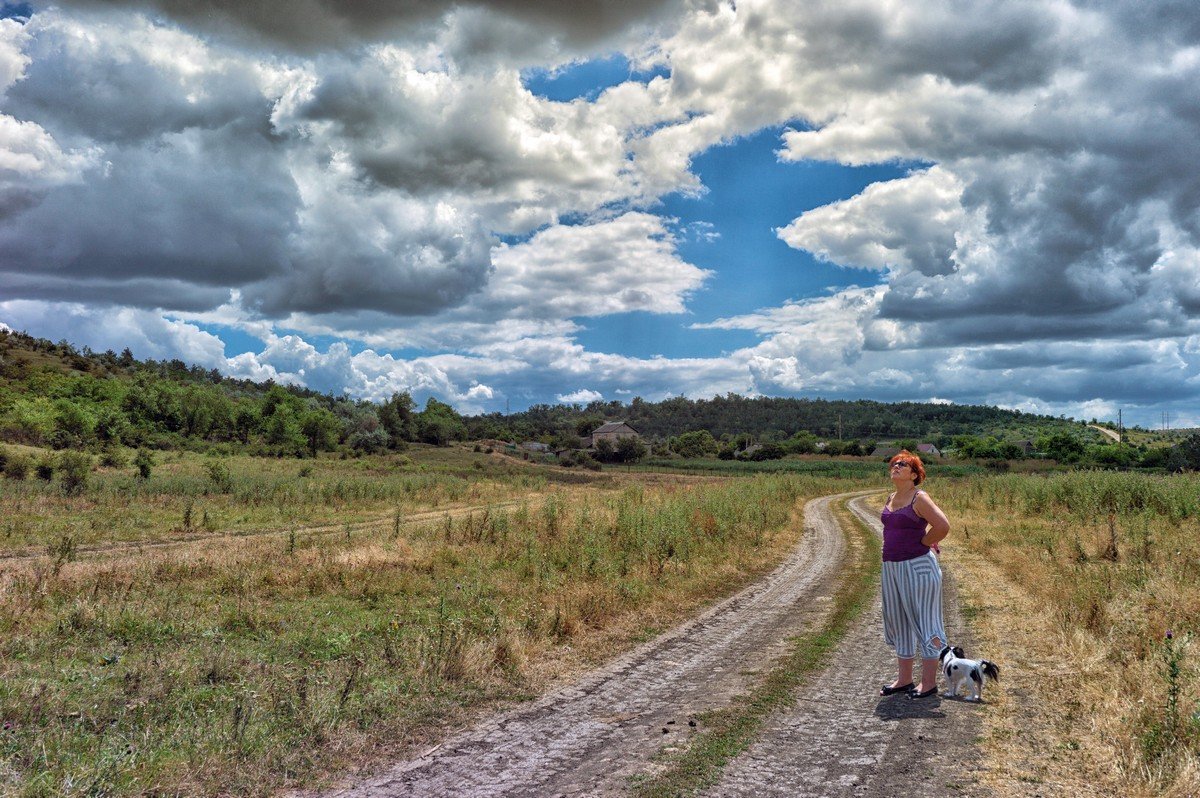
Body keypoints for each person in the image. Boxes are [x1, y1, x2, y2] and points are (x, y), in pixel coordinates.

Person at [877, 450, 951, 699]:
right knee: (899, 621)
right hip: (892, 568)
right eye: (894, 464)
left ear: (915, 474)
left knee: (926, 620)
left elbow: (942, 525)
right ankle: (904, 679)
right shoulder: (892, 496)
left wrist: (924, 542)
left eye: (903, 464)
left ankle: (928, 682)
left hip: (917, 567)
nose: (896, 467)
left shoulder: (919, 498)